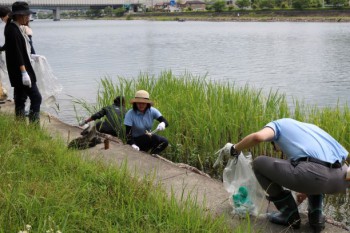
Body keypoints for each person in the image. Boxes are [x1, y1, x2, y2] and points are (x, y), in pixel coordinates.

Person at [219, 118, 348, 232]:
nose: (276, 149)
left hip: (316, 174)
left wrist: (235, 148)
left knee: (258, 163)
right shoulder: (312, 130)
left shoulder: (278, 125)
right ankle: (316, 218)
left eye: (274, 146)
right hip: (342, 178)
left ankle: (289, 215)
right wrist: (304, 190)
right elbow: (326, 163)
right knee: (313, 171)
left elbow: (258, 137)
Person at [4, 1, 42, 123]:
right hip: (22, 71)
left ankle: (20, 125)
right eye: (27, 15)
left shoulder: (15, 28)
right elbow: (17, 53)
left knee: (20, 100)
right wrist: (24, 73)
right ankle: (34, 127)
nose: (29, 17)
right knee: (36, 98)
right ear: (20, 15)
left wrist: (32, 55)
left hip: (19, 71)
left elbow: (21, 49)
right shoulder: (12, 30)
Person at [124, 90, 169, 155]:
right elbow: (128, 134)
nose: (141, 105)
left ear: (147, 104)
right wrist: (133, 144)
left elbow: (165, 121)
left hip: (148, 138)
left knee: (164, 141)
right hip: (135, 141)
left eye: (143, 103)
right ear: (135, 103)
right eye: (139, 103)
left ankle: (152, 155)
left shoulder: (152, 111)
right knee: (152, 137)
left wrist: (163, 124)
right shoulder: (130, 114)